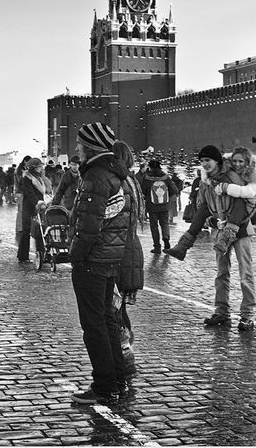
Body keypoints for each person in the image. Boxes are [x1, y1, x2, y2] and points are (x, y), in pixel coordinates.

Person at [68, 122, 129, 405]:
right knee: (107, 320)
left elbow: (90, 224)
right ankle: (117, 378)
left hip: (93, 259)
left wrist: (75, 254)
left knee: (94, 325)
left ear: (90, 146)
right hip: (110, 257)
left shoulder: (95, 175)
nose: (77, 149)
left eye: (80, 144)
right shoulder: (115, 173)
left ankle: (104, 385)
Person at [197, 146, 256, 331]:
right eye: (202, 160)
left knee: (245, 272)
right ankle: (221, 311)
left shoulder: (242, 179)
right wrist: (211, 220)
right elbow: (204, 205)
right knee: (221, 272)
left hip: (242, 231)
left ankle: (247, 314)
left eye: (209, 160)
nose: (205, 163)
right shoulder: (209, 181)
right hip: (220, 231)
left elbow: (253, 201)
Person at [112, 140, 145, 378]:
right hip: (131, 249)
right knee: (119, 308)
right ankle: (125, 354)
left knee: (114, 309)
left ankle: (124, 356)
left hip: (119, 252)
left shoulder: (119, 183)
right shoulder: (132, 181)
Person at [139, 159, 179, 254]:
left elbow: (143, 191)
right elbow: (173, 190)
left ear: (150, 167)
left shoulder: (147, 177)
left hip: (152, 206)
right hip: (164, 205)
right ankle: (166, 241)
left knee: (154, 226)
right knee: (164, 224)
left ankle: (157, 247)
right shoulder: (165, 177)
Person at [18, 158, 52, 263]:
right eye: (39, 166)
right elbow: (29, 193)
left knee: (40, 230)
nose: (41, 168)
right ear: (34, 167)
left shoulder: (38, 177)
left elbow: (42, 192)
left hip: (39, 207)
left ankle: (42, 254)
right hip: (29, 207)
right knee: (26, 231)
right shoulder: (27, 178)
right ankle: (23, 256)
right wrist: (38, 203)